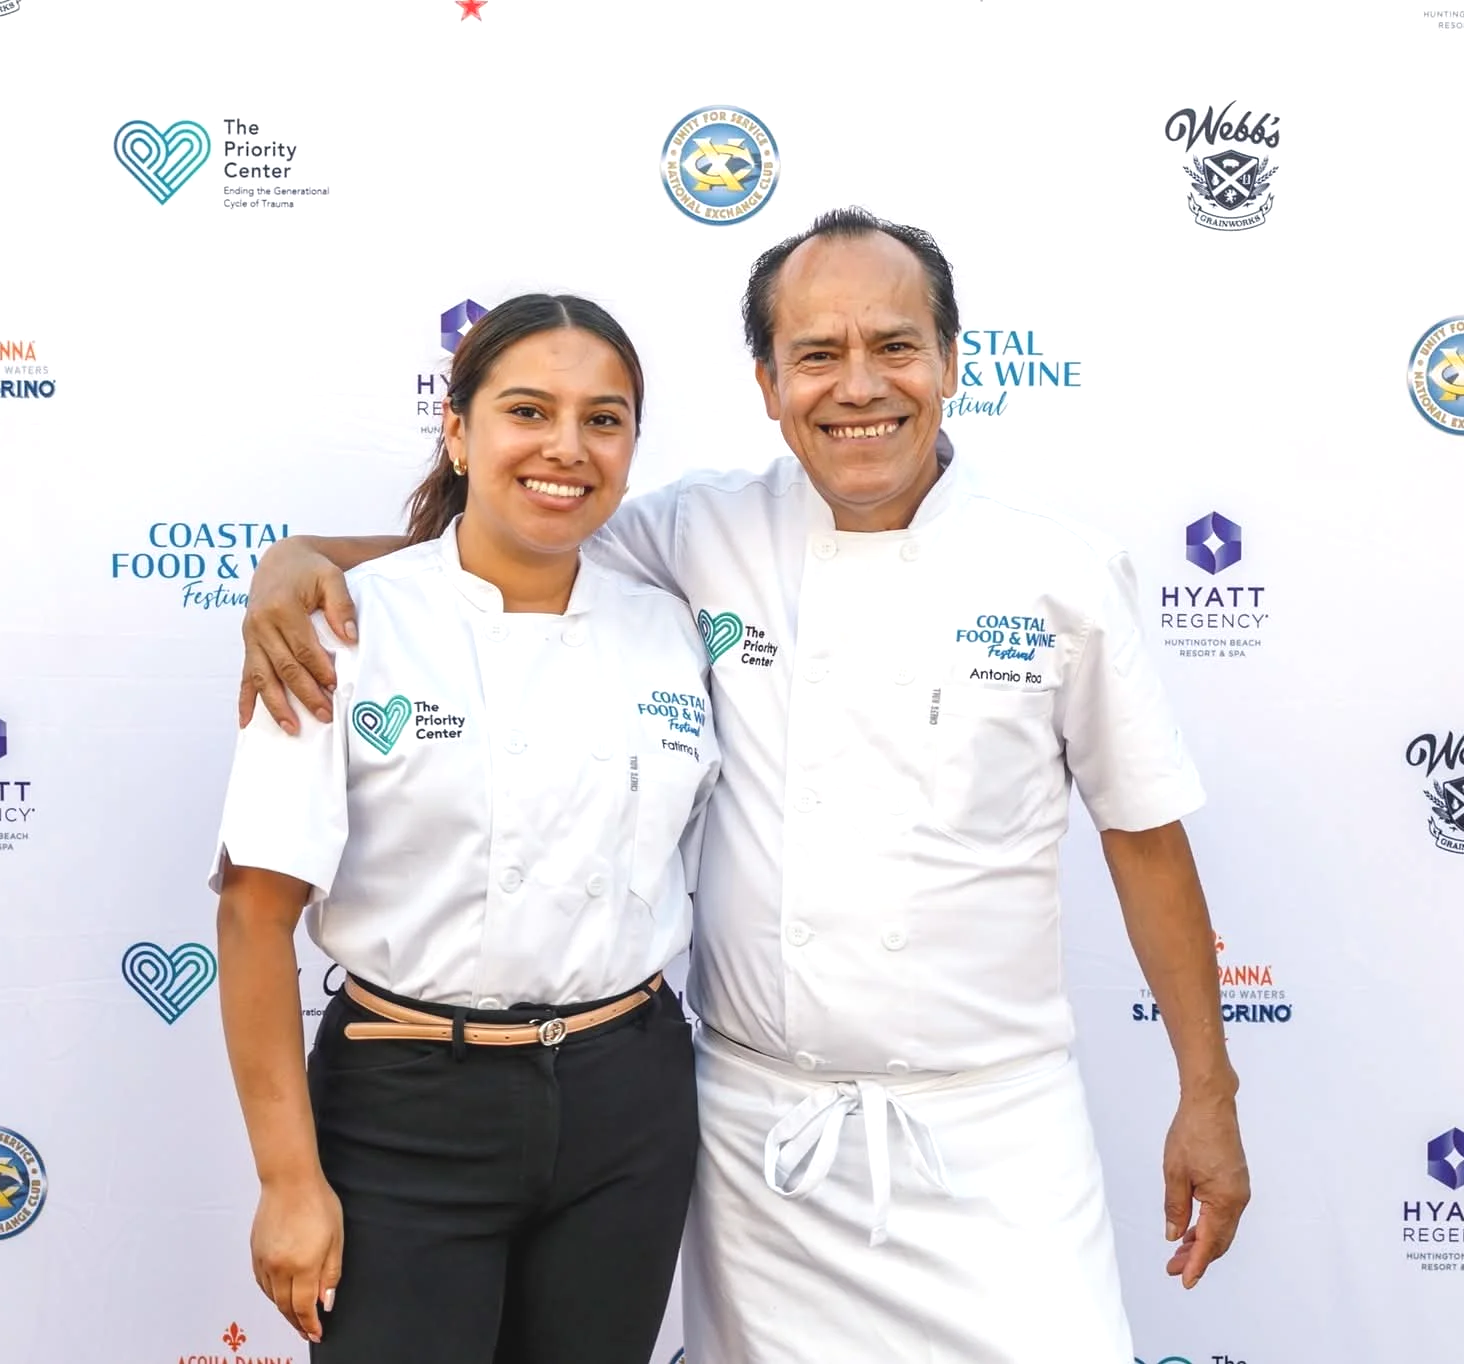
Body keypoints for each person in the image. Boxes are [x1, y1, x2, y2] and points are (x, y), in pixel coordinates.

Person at [236, 209, 1251, 1363]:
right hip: (759, 1135)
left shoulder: (1062, 574)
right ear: (768, 384)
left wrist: (1206, 1092)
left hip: (996, 1130)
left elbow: (1145, 840)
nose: (858, 385)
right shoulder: (697, 531)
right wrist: (300, 559)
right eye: (816, 354)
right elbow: (506, 536)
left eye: (895, 345)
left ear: (954, 362)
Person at [209, 293, 719, 1364]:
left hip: (628, 1103)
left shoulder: (672, 626)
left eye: (604, 418)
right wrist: (288, 1179)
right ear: (457, 428)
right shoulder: (342, 623)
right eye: (527, 410)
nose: (565, 448)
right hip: (406, 1107)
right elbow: (256, 917)